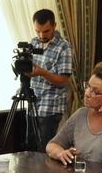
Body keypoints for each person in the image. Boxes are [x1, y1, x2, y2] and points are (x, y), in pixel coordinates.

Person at [46, 61, 102, 166]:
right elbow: (52, 145)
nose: (87, 93)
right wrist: (60, 153)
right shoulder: (81, 114)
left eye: (95, 92)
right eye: (88, 86)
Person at [27, 9, 74, 152]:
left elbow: (63, 80)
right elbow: (29, 72)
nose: (42, 35)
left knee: (44, 151)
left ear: (54, 26)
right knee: (29, 151)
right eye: (38, 31)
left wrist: (42, 72)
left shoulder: (64, 47)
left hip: (51, 107)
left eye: (46, 31)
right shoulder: (33, 43)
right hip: (33, 104)